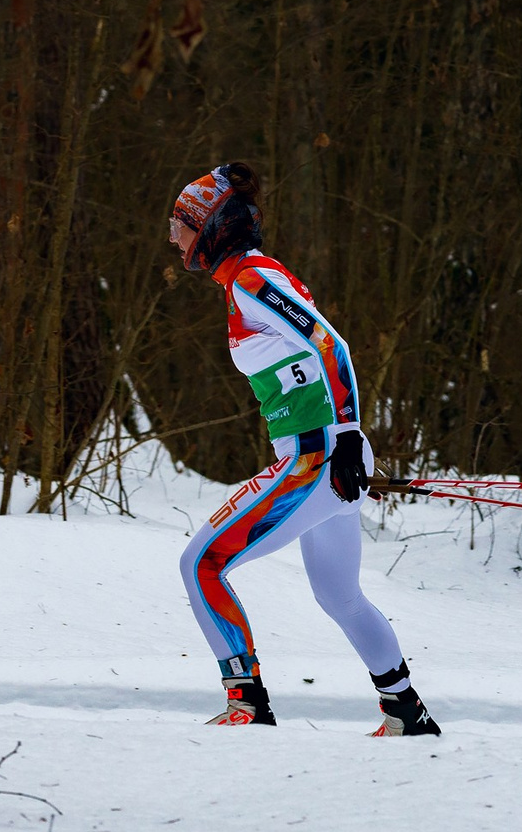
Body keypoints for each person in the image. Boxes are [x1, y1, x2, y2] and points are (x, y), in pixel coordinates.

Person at [168, 163, 441, 736]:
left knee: (202, 564)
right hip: (329, 457)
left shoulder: (249, 280)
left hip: (317, 460)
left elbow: (329, 344)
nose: (173, 236)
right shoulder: (245, 280)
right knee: (340, 597)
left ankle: (247, 702)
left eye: (181, 224)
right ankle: (405, 712)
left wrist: (344, 438)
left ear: (214, 227)